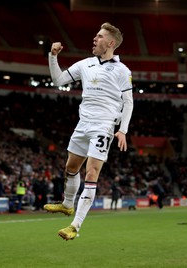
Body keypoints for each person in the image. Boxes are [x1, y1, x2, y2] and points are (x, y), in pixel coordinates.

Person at [44, 22, 133, 241]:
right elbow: (58, 80)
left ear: (111, 43)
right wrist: (53, 56)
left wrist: (122, 130)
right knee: (71, 168)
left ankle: (75, 226)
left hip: (103, 126)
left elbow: (128, 102)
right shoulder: (85, 64)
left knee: (91, 173)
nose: (94, 39)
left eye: (99, 36)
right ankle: (67, 205)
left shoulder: (122, 70)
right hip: (83, 124)